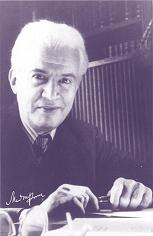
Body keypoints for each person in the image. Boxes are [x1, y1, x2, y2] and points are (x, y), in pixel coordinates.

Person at [1, 20, 152, 220]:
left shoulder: (85, 137)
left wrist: (138, 188)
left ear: (77, 86)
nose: (51, 94)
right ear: (14, 81)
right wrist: (33, 216)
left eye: (65, 80)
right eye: (39, 77)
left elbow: (144, 175)